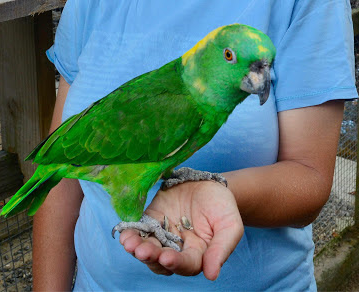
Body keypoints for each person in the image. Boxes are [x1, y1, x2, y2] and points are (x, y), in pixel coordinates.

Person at [32, 0, 358, 290]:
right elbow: (61, 182)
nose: (258, 78)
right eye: (230, 56)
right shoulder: (89, 4)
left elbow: (310, 178)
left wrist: (219, 192)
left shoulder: (308, 5)